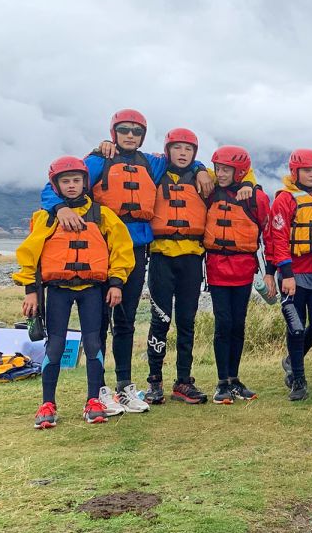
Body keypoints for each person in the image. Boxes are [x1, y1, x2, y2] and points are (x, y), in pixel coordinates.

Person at [39, 109, 210, 410]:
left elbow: (179, 159)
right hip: (100, 251)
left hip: (135, 252)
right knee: (99, 321)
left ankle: (124, 385)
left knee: (126, 321)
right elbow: (57, 183)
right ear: (114, 132)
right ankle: (99, 389)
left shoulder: (151, 164)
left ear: (143, 135)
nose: (130, 135)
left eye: (136, 131)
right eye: (124, 130)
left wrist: (200, 168)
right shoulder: (97, 161)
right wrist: (58, 208)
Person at [16, 157, 135, 427]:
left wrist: (116, 283)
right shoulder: (45, 217)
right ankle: (48, 404)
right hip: (58, 291)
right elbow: (30, 256)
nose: (71, 186)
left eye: (76, 180)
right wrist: (31, 292)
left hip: (92, 291)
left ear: (85, 183)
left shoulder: (102, 214)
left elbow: (122, 249)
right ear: (56, 185)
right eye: (65, 181)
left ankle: (93, 400)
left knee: (93, 344)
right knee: (55, 346)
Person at [144, 128, 211, 404]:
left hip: (191, 260)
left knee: (187, 322)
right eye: (177, 148)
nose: (182, 154)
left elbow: (243, 175)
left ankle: (183, 381)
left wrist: (202, 169)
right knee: (160, 321)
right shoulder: (155, 171)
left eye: (188, 150)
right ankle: (155, 382)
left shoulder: (202, 178)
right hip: (161, 258)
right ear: (168, 150)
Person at [268, 149, 312, 401]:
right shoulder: (284, 200)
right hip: (293, 275)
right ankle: (298, 379)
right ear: (295, 172)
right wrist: (284, 274)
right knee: (296, 328)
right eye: (307, 170)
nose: (311, 174)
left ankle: (291, 359)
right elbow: (277, 238)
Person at [203, 145, 272, 404]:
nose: (220, 174)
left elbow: (268, 234)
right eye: (218, 168)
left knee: (238, 324)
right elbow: (197, 174)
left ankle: (234, 379)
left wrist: (270, 272)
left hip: (243, 270)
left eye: (226, 170)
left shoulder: (256, 198)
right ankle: (222, 383)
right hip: (217, 269)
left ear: (240, 171)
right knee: (223, 324)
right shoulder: (209, 192)